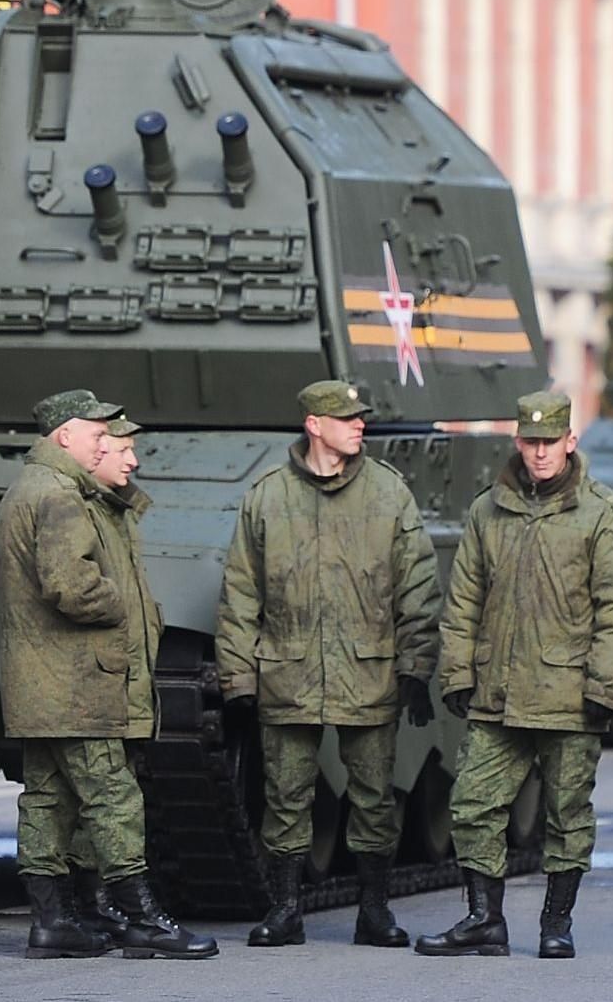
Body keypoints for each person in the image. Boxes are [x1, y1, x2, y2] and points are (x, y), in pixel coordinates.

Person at [419, 390, 613, 961]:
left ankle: (556, 922)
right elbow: (463, 599)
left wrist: (604, 689)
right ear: (517, 441)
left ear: (570, 442)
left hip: (570, 696)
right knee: (472, 806)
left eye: (550, 442)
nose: (539, 453)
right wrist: (457, 674)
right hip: (498, 694)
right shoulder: (488, 510)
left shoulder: (601, 513)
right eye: (530, 442)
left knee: (567, 814)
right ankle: (483, 920)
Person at [217, 378, 441, 949]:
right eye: (345, 418)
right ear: (314, 425)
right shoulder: (267, 496)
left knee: (374, 797)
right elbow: (241, 594)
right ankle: (285, 908)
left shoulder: (389, 494)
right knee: (285, 797)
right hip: (288, 671)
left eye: (360, 416)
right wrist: (239, 677)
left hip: (368, 673)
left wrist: (416, 669)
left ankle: (375, 910)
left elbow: (419, 587)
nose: (359, 424)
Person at [0, 389, 218, 960]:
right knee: (114, 795)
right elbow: (72, 588)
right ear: (65, 437)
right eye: (100, 437)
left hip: (44, 681)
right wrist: (128, 605)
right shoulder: (59, 496)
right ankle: (144, 918)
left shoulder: (32, 489)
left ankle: (53, 922)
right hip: (77, 681)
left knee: (47, 797)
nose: (116, 451)